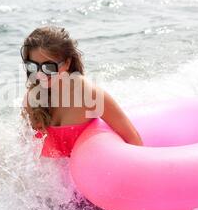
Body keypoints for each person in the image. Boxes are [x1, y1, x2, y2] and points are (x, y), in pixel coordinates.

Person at [21, 26, 143, 157]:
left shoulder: (89, 95)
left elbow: (133, 139)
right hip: (53, 175)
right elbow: (25, 146)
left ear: (67, 63)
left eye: (49, 67)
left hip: (86, 172)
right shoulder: (32, 98)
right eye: (32, 66)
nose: (39, 74)